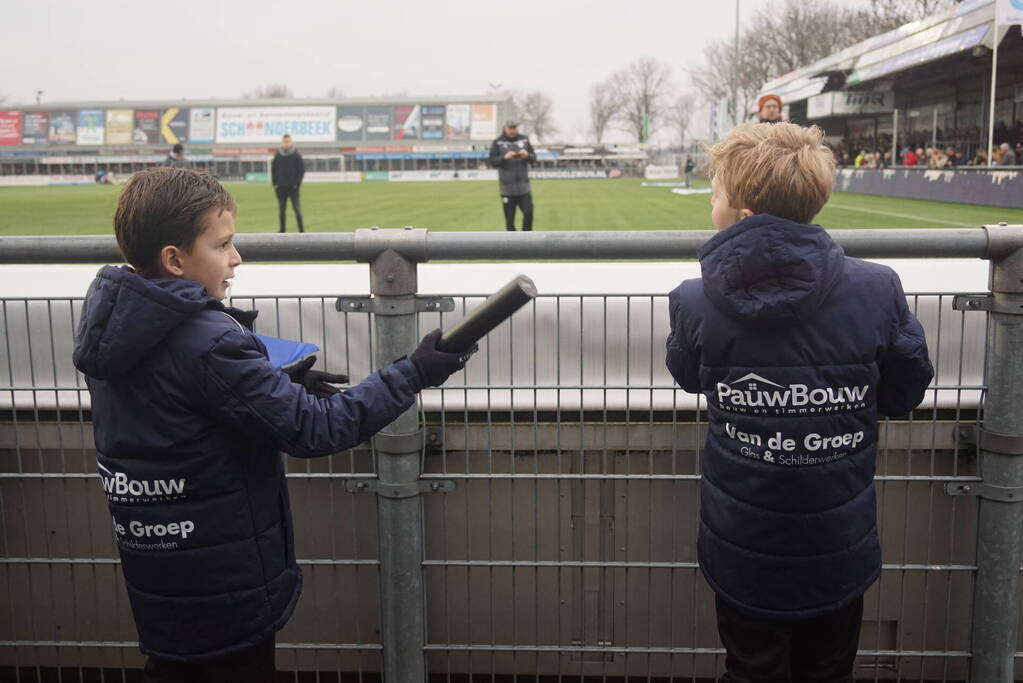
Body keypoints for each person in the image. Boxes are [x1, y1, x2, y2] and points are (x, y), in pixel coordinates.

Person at [72, 167, 474, 683]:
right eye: (223, 245)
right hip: (226, 580)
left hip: (162, 568)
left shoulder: (115, 327)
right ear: (174, 259)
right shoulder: (210, 341)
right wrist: (413, 371)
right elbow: (316, 430)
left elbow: (184, 399)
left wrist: (278, 383)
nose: (236, 258)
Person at [665, 122, 933, 681]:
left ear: (740, 215)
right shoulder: (878, 286)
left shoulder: (694, 299)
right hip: (839, 541)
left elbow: (688, 376)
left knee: (751, 667)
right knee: (828, 671)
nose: (709, 203)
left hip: (742, 543)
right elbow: (906, 391)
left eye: (714, 192)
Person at [488, 121, 536, 231]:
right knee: (509, 220)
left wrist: (527, 155)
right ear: (505, 128)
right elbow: (492, 161)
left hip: (524, 188)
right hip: (507, 190)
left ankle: (526, 238)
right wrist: (504, 157)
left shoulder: (524, 140)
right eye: (510, 128)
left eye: (514, 128)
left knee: (529, 212)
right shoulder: (498, 142)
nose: (512, 130)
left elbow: (534, 158)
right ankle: (511, 245)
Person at [272, 134, 306, 232]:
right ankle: (282, 230)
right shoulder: (278, 155)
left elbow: (302, 170)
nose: (286, 143)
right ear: (282, 142)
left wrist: (297, 184)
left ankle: (301, 231)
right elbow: (274, 169)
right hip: (281, 188)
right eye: (284, 141)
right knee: (281, 211)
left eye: (288, 141)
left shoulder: (296, 155)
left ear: (291, 142)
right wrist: (275, 184)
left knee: (297, 211)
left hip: (293, 189)